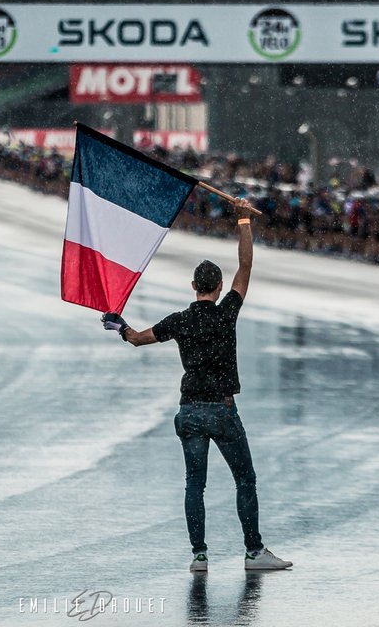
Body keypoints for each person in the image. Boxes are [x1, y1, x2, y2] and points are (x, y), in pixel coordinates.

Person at [100, 199, 292, 573]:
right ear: (219, 287)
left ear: (193, 286)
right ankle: (253, 552)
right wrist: (243, 220)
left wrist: (120, 327)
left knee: (195, 485)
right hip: (221, 410)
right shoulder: (226, 312)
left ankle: (199, 555)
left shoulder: (180, 320)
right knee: (245, 479)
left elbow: (139, 339)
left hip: (189, 411)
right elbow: (246, 266)